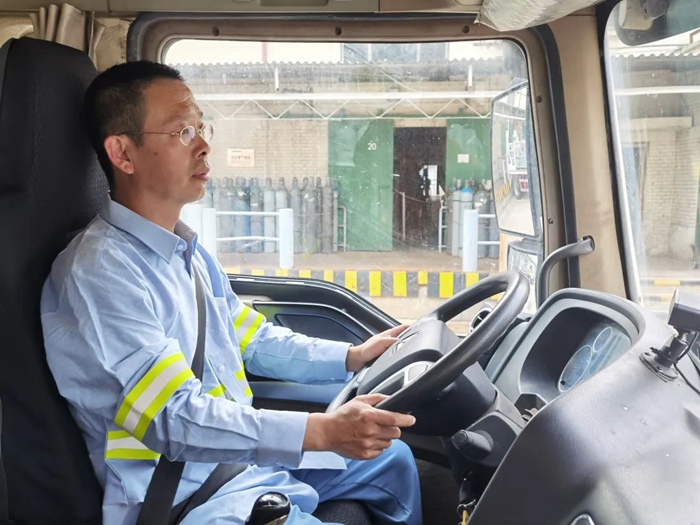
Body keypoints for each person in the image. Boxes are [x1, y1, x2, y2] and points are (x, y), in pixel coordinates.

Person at [40, 61, 422, 525]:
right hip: (187, 498)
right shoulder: (99, 273)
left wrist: (353, 356)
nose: (203, 145)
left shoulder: (187, 252)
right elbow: (173, 418)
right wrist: (320, 431)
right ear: (123, 153)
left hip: (238, 464)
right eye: (182, 131)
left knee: (393, 458)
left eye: (201, 128)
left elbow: (254, 340)